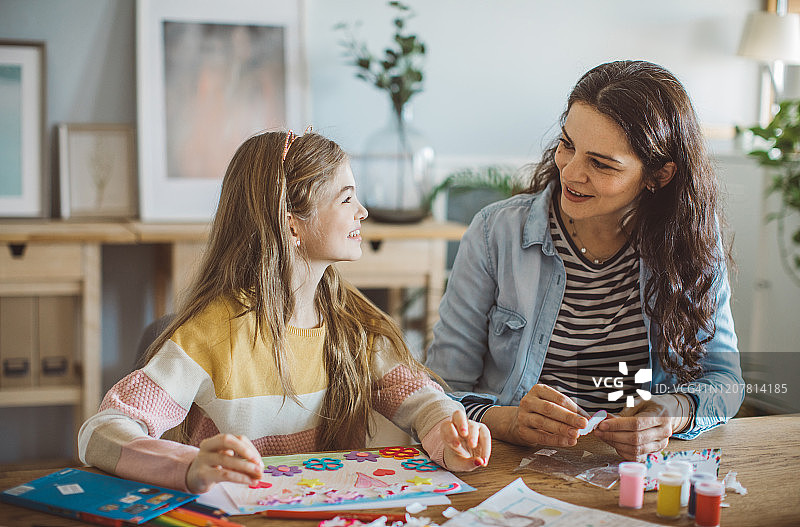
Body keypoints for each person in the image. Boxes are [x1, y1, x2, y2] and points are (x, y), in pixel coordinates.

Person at [78, 130, 491, 493]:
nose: (362, 211)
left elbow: (422, 401)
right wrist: (189, 466)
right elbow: (101, 432)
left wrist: (450, 436)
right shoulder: (212, 333)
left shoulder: (355, 326)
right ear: (291, 223)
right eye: (346, 198)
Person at [425, 60, 743, 461]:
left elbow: (725, 380)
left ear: (659, 175)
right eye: (567, 144)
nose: (570, 173)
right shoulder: (496, 234)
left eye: (602, 163)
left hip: (634, 471)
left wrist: (672, 413)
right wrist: (509, 422)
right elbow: (440, 390)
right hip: (511, 466)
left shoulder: (689, 241)